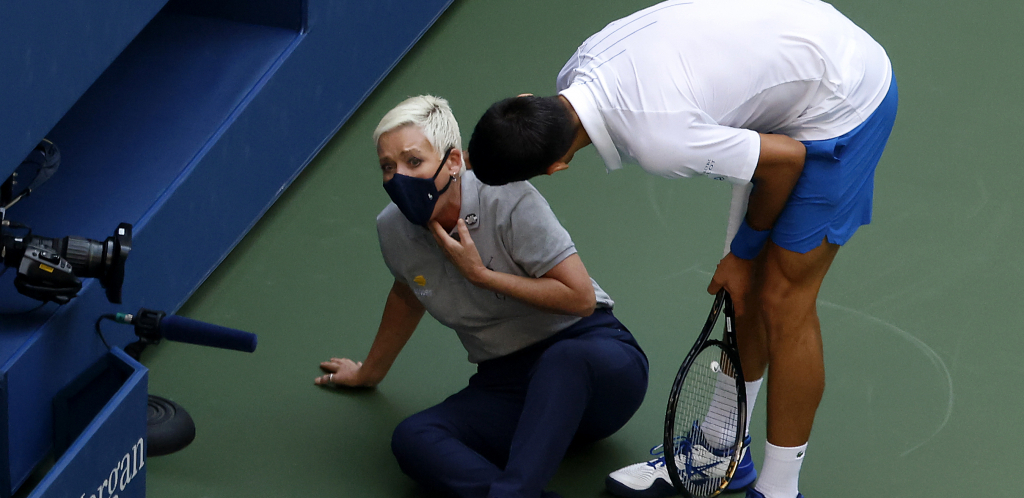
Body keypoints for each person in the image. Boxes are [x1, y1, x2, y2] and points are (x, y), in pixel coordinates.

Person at [465, 1, 899, 497]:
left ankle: (781, 491)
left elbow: (786, 161)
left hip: (844, 96)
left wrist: (743, 251)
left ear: (554, 169)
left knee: (784, 301)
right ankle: (721, 451)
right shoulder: (581, 64)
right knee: (746, 293)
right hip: (793, 45)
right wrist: (744, 258)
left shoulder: (660, 139)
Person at [314, 95, 649, 498]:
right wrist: (369, 372)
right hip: (508, 385)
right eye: (388, 166)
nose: (398, 176)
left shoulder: (507, 197)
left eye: (413, 161)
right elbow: (407, 294)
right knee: (415, 438)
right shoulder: (393, 230)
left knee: (564, 359)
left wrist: (482, 276)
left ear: (453, 162)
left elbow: (579, 298)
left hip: (593, 362)